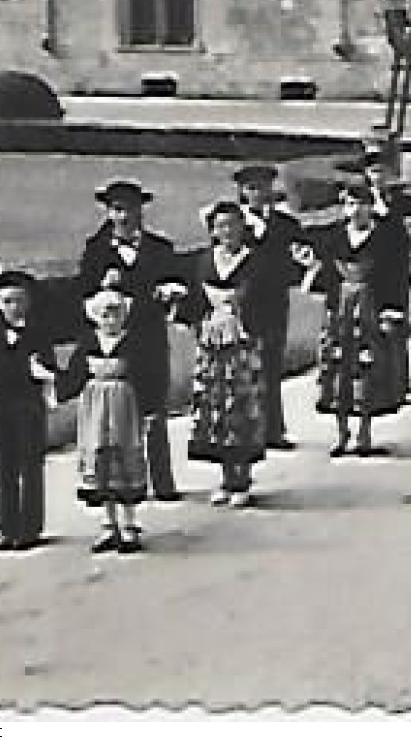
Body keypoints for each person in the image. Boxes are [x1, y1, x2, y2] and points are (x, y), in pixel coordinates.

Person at [77, 179, 186, 502]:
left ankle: (162, 481)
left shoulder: (160, 249)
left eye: (129, 210)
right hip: (115, 341)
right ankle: (120, 482)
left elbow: (175, 286)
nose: (123, 217)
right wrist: (102, 287)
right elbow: (83, 296)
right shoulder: (96, 250)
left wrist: (167, 295)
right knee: (116, 413)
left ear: (141, 211)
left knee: (153, 408)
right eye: (116, 210)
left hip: (149, 339)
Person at [297, 180, 410, 457]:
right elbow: (324, 272)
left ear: (371, 207)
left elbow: (396, 276)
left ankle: (364, 431)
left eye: (362, 204)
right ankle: (341, 431)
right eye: (350, 204)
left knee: (368, 369)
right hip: (341, 313)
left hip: (371, 309)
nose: (356, 210)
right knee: (338, 369)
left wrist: (391, 309)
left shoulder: (385, 238)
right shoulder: (334, 237)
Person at [176, 201, 270, 507]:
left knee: (241, 406)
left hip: (242, 344)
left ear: (243, 227)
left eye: (232, 225)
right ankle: (225, 475)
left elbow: (266, 301)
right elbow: (193, 300)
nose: (227, 232)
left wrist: (245, 319)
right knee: (215, 406)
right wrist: (195, 321)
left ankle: (242, 475)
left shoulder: (255, 261)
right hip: (212, 344)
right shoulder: (204, 261)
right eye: (221, 226)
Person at [57, 285, 161, 554]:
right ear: (95, 316)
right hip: (95, 410)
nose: (110, 320)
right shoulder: (88, 343)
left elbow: (147, 378)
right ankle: (108, 523)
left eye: (115, 314)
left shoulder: (134, 343)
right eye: (105, 315)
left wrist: (149, 410)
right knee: (100, 459)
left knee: (124, 460)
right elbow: (74, 376)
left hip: (124, 407)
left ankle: (129, 525)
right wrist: (51, 381)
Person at [0, 268, 57, 552]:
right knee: (4, 466)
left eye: (18, 301)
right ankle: (6, 526)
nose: (13, 308)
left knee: (30, 465)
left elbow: (48, 366)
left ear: (28, 302)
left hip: (27, 404)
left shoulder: (37, 332)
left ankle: (29, 528)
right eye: (6, 302)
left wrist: (41, 372)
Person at [233, 163, 304, 451]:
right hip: (244, 304)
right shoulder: (233, 227)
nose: (257, 194)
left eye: (262, 187)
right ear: (242, 192)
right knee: (244, 366)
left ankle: (273, 428)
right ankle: (247, 428)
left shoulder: (285, 226)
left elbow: (299, 259)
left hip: (275, 302)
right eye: (251, 188)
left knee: (272, 363)